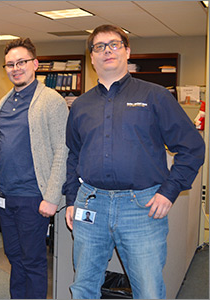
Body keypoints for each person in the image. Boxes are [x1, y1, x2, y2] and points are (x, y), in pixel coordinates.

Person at [62, 24, 205, 299]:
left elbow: (192, 147)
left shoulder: (155, 96)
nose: (107, 51)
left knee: (148, 290)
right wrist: (71, 199)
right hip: (91, 204)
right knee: (83, 287)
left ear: (127, 51)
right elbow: (74, 155)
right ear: (91, 57)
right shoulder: (80, 105)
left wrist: (169, 191)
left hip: (141, 207)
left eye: (114, 44)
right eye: (99, 47)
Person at [0, 38, 68, 299]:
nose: (15, 68)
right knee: (14, 257)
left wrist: (52, 197)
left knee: (33, 261)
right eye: (10, 64)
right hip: (5, 196)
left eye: (21, 62)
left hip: (33, 197)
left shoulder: (51, 100)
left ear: (35, 64)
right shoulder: (4, 102)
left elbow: (63, 150)